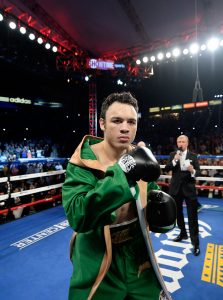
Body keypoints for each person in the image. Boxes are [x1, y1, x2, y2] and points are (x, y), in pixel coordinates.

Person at [62, 92, 176, 300]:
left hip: (138, 258)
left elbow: (149, 202)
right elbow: (77, 215)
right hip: (98, 259)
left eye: (131, 122)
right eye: (117, 120)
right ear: (103, 124)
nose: (125, 127)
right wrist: (122, 172)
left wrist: (162, 211)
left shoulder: (141, 156)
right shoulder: (82, 163)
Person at [164, 134, 200, 256]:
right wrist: (175, 160)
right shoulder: (172, 155)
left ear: (187, 143)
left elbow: (198, 171)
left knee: (192, 217)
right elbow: (166, 168)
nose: (181, 143)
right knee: (178, 213)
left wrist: (192, 170)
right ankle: (183, 233)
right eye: (179, 141)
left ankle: (195, 243)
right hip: (175, 189)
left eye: (183, 141)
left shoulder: (193, 156)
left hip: (189, 189)